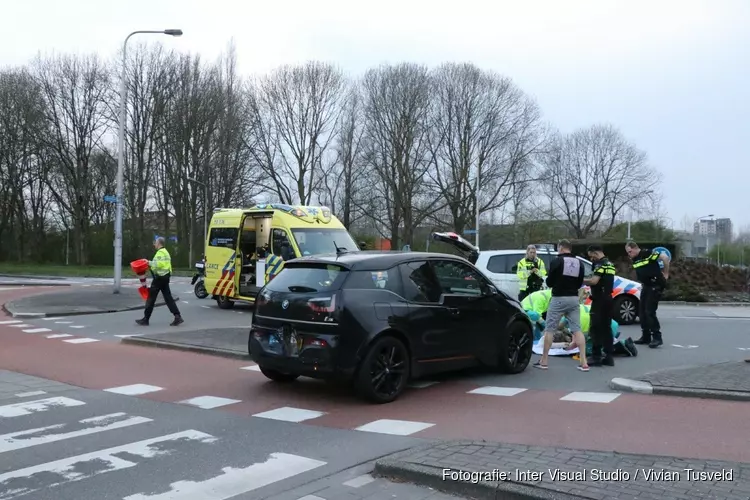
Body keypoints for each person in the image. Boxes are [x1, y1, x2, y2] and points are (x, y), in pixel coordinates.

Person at [534, 239, 588, 371]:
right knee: (577, 329)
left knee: (550, 329)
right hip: (574, 298)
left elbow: (550, 281)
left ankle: (544, 361)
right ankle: (584, 362)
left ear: (561, 248)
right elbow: (580, 282)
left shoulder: (557, 261)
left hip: (558, 298)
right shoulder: (579, 263)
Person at [625, 241, 670, 348]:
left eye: (630, 251)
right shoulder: (635, 258)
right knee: (642, 311)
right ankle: (646, 336)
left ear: (635, 248)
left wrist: (666, 273)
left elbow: (664, 257)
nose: (629, 254)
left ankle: (657, 337)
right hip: (646, 285)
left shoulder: (647, 253)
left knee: (650, 311)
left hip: (655, 284)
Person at [136, 237, 183, 326]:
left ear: (159, 243)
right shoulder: (166, 252)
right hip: (165, 277)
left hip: (159, 278)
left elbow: (158, 264)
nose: (154, 244)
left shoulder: (160, 253)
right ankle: (177, 316)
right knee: (168, 297)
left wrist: (148, 262)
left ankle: (146, 319)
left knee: (151, 298)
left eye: (155, 243)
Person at [584, 245, 617, 366]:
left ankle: (596, 356)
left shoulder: (599, 264)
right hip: (608, 298)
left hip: (599, 300)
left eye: (591, 255)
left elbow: (594, 281)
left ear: (595, 253)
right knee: (606, 328)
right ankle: (609, 356)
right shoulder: (610, 263)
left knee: (595, 328)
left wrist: (579, 280)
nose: (591, 258)